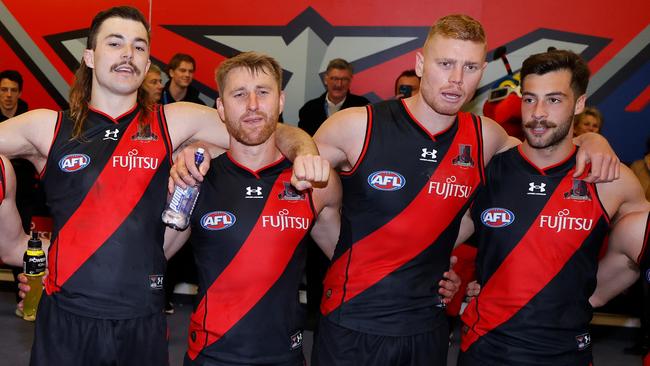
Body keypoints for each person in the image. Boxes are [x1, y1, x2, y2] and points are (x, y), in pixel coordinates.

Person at [171, 14, 618, 366]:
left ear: (482, 71)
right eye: (445, 64)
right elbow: (272, 139)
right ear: (422, 64)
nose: (456, 80)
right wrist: (213, 150)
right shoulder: (357, 126)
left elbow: (547, 151)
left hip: (426, 328)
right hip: (352, 326)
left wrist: (592, 139)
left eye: (469, 67)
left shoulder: (486, 137)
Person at [0, 6, 325, 366]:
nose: (128, 54)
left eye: (139, 47)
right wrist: (25, 243)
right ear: (89, 56)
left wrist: (306, 152)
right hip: (66, 318)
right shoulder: (48, 127)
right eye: (116, 43)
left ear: (148, 62)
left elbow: (263, 127)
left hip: (143, 317)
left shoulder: (174, 122)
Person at [458, 49, 650, 366]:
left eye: (554, 100)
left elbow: (631, 250)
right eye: (530, 99)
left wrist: (579, 297)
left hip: (566, 354)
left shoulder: (609, 179)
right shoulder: (491, 165)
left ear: (579, 103)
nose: (538, 112)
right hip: (486, 349)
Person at [161, 51, 341, 366]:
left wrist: (435, 273)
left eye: (263, 92)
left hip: (286, 356)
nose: (253, 105)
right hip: (210, 356)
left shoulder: (314, 183)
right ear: (220, 107)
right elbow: (155, 252)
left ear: (281, 101)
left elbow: (352, 260)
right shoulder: (196, 177)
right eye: (240, 94)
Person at [297, 58, 370, 136]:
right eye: (335, 79)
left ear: (350, 81)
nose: (339, 84)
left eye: (344, 79)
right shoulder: (308, 110)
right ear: (325, 79)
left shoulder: (362, 108)